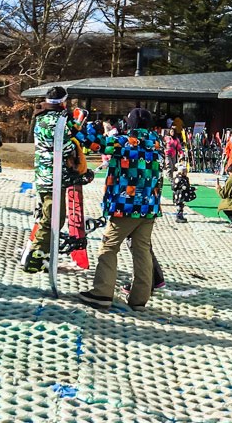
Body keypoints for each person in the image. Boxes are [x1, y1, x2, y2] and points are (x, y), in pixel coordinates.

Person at [77, 107, 163, 311]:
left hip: (126, 206)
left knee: (109, 247)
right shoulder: (157, 143)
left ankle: (102, 293)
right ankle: (139, 299)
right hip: (149, 206)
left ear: (130, 124)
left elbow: (94, 144)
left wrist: (81, 128)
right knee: (141, 250)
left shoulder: (124, 142)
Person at [23, 86, 82, 273]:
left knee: (50, 216)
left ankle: (45, 255)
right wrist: (74, 147)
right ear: (63, 102)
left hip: (42, 173)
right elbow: (63, 147)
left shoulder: (40, 118)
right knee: (53, 218)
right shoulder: (59, 120)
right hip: (53, 176)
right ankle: (35, 256)